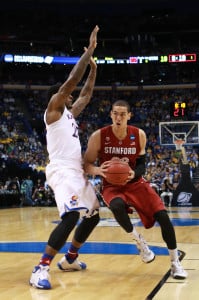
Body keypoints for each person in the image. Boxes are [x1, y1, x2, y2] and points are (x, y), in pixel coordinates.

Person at [83, 100, 187, 279]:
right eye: (115, 113)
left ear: (129, 116)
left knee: (163, 216)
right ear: (110, 115)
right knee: (116, 206)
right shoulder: (98, 136)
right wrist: (99, 170)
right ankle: (139, 243)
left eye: (123, 114)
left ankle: (175, 262)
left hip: (135, 183)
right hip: (112, 185)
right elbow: (86, 165)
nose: (118, 117)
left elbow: (141, 165)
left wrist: (134, 174)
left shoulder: (138, 135)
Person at [30, 25, 100, 289]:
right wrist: (90, 50)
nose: (71, 95)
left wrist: (94, 69)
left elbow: (86, 94)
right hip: (61, 170)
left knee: (93, 214)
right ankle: (40, 268)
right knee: (71, 217)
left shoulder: (69, 113)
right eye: (65, 94)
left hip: (76, 171)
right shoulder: (53, 112)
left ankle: (70, 258)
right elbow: (72, 81)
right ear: (56, 97)